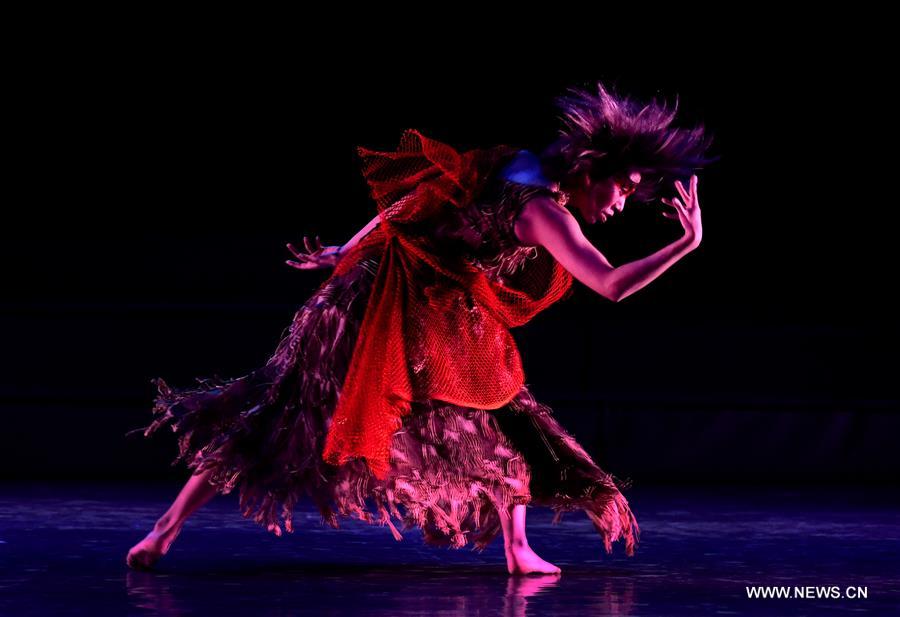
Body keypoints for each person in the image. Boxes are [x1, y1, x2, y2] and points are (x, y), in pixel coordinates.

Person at [126, 81, 711, 575]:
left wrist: (348, 249)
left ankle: (162, 531)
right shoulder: (543, 213)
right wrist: (687, 244)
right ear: (588, 167)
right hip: (387, 306)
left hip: (390, 296)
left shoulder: (515, 162)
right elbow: (610, 284)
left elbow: (417, 198)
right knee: (295, 414)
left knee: (493, 408)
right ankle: (517, 550)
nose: (621, 204)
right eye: (624, 188)